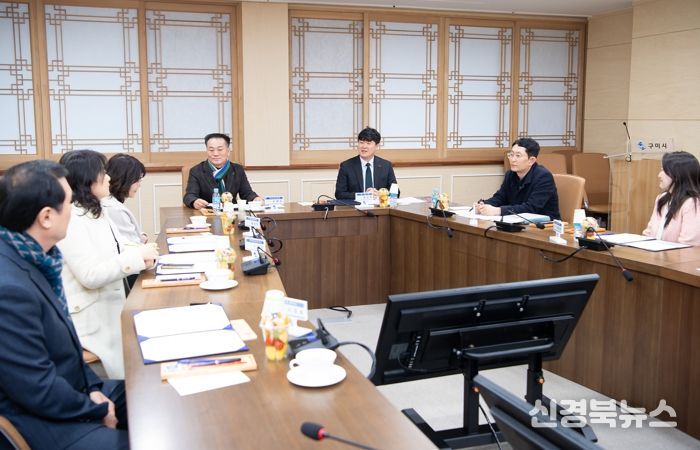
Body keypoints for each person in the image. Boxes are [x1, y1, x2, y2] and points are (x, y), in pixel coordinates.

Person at [0, 160, 128, 450]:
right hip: (40, 420)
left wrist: (93, 389)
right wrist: (95, 408)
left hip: (72, 389)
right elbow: (36, 388)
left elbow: (67, 353)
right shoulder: (9, 288)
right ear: (46, 217)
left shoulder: (36, 257)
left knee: (154, 394)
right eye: (69, 202)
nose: (74, 209)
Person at [58, 150, 158, 379]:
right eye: (103, 173)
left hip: (111, 306)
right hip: (93, 319)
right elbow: (90, 275)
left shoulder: (95, 210)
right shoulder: (72, 219)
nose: (109, 178)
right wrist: (137, 256)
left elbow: (121, 246)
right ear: (87, 180)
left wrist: (145, 253)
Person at [475, 137, 561, 220]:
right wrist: (483, 205)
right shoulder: (510, 174)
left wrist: (498, 211)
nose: (513, 159)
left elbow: (531, 208)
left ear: (531, 160)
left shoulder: (544, 177)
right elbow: (500, 198)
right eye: (511, 155)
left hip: (544, 224)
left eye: (518, 156)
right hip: (516, 222)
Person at [183, 133, 261, 209]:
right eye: (211, 150)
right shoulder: (196, 171)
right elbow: (189, 196)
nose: (215, 154)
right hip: (207, 212)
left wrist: (255, 199)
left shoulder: (237, 169)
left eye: (220, 149)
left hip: (231, 212)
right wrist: (194, 201)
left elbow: (247, 194)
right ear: (207, 151)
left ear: (228, 151)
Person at [642, 151, 700, 245]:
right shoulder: (661, 198)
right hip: (654, 253)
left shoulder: (693, 203)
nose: (659, 175)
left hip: (677, 254)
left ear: (677, 175)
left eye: (663, 170)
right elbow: (649, 233)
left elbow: (689, 245)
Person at [335, 127, 398, 200]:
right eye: (361, 142)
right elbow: (339, 194)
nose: (364, 146)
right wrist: (364, 195)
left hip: (379, 206)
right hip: (356, 206)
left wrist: (381, 194)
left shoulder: (386, 165)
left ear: (377, 146)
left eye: (368, 143)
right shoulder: (346, 166)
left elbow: (396, 193)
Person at [103, 153, 148, 245]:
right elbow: (133, 245)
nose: (139, 185)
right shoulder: (115, 209)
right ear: (125, 179)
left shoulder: (110, 202)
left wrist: (140, 236)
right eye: (137, 180)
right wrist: (141, 239)